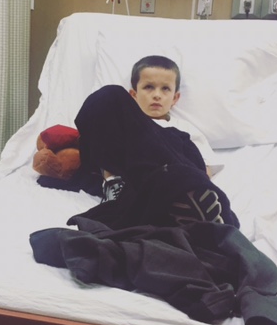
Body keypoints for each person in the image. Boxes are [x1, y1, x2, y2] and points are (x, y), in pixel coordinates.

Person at [73, 55, 239, 228]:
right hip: (136, 184)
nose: (157, 95)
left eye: (165, 89)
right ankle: (116, 188)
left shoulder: (184, 128)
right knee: (109, 95)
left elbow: (204, 167)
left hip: (170, 177)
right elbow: (101, 148)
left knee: (177, 141)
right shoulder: (122, 123)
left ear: (175, 98)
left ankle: (193, 201)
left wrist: (197, 183)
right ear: (133, 95)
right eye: (149, 87)